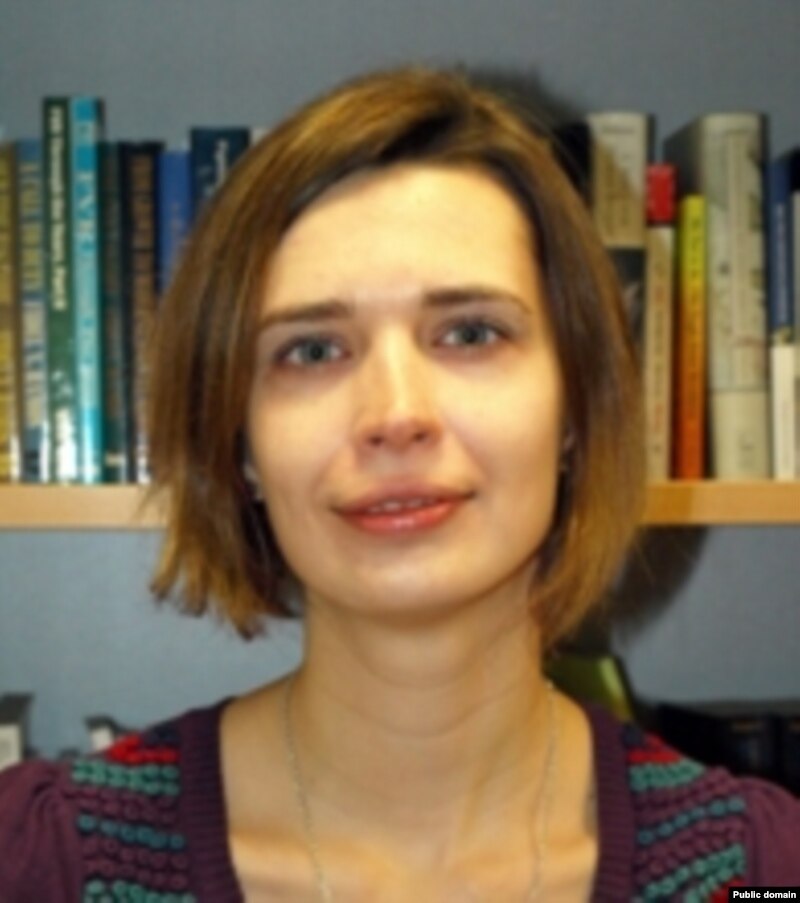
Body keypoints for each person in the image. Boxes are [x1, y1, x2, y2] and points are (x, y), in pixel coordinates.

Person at [1, 67, 798, 903]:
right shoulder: (43, 865)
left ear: (576, 407)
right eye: (312, 349)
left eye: (470, 333)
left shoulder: (764, 873)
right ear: (239, 443)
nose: (395, 415)